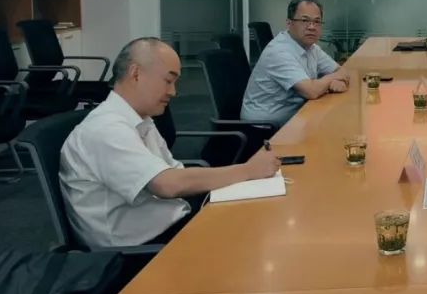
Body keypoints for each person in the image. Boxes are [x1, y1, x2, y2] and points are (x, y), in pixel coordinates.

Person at [60, 38, 281, 248]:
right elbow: (167, 185)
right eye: (168, 81)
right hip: (140, 250)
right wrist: (247, 171)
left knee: (258, 217)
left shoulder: (140, 120)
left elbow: (176, 174)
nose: (173, 92)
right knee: (258, 237)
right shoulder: (106, 129)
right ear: (136, 74)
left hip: (169, 223)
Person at [241, 0, 351, 126]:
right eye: (305, 20)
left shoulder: (311, 47)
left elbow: (341, 71)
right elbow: (311, 91)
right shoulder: (279, 51)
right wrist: (332, 78)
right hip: (263, 128)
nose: (312, 27)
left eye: (317, 21)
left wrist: (337, 80)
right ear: (289, 23)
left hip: (294, 118)